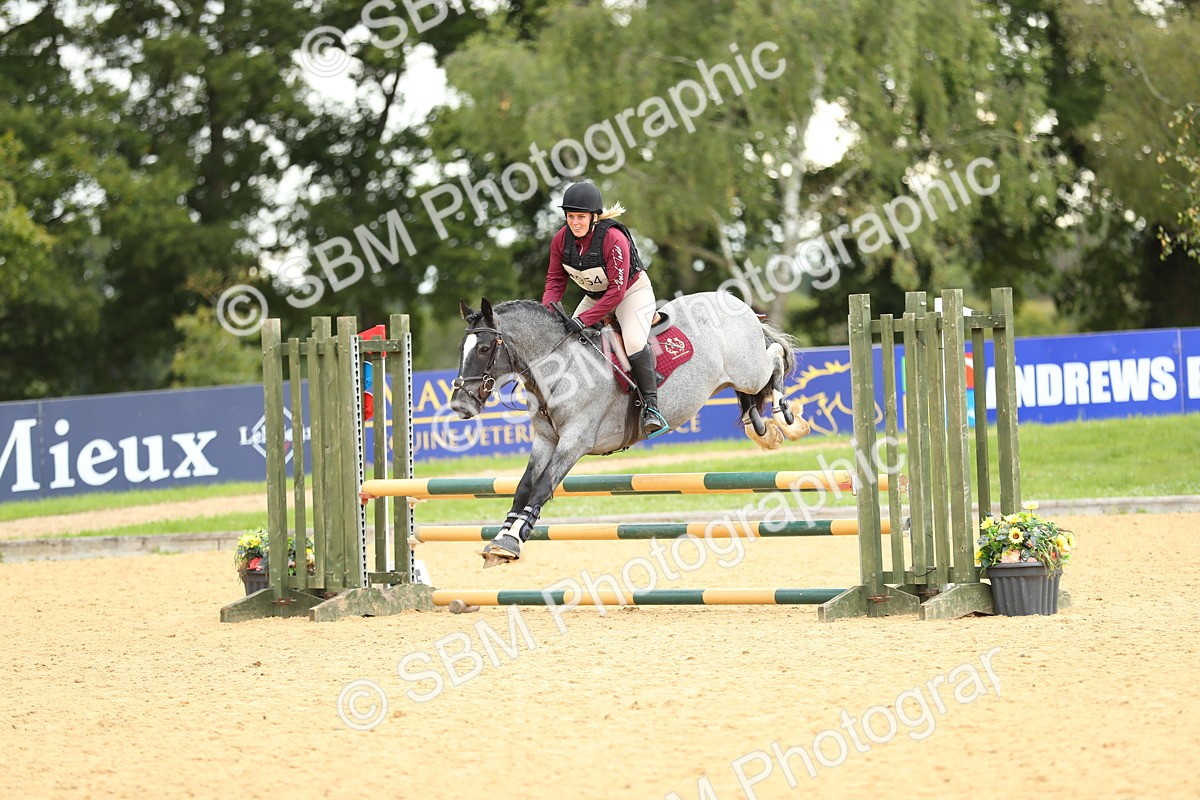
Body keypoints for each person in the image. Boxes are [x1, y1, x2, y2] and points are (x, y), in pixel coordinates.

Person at [541, 180, 669, 438]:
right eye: (570, 216)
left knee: (633, 342)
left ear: (594, 217)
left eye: (580, 217)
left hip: (631, 292)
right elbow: (554, 283)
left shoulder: (612, 238)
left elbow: (616, 293)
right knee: (564, 341)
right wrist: (549, 315)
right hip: (596, 295)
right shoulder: (560, 241)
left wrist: (584, 320)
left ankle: (651, 408)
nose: (574, 222)